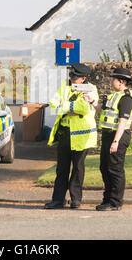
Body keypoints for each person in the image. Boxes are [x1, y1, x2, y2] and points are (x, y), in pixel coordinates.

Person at [44, 63, 99, 209]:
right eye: (71, 76)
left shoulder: (91, 89)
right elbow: (53, 103)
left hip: (82, 136)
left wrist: (65, 106)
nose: (72, 79)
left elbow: (84, 108)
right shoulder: (65, 86)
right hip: (65, 134)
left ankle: (76, 200)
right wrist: (69, 108)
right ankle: (57, 200)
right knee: (61, 168)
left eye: (75, 77)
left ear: (83, 79)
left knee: (78, 169)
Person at [84, 67, 132, 211]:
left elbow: (123, 122)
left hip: (118, 136)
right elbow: (102, 109)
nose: (111, 81)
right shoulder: (114, 95)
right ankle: (107, 199)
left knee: (115, 169)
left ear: (121, 81)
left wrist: (116, 141)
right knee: (105, 168)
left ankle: (115, 202)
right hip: (108, 135)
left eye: (113, 78)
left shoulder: (126, 98)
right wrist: (92, 101)